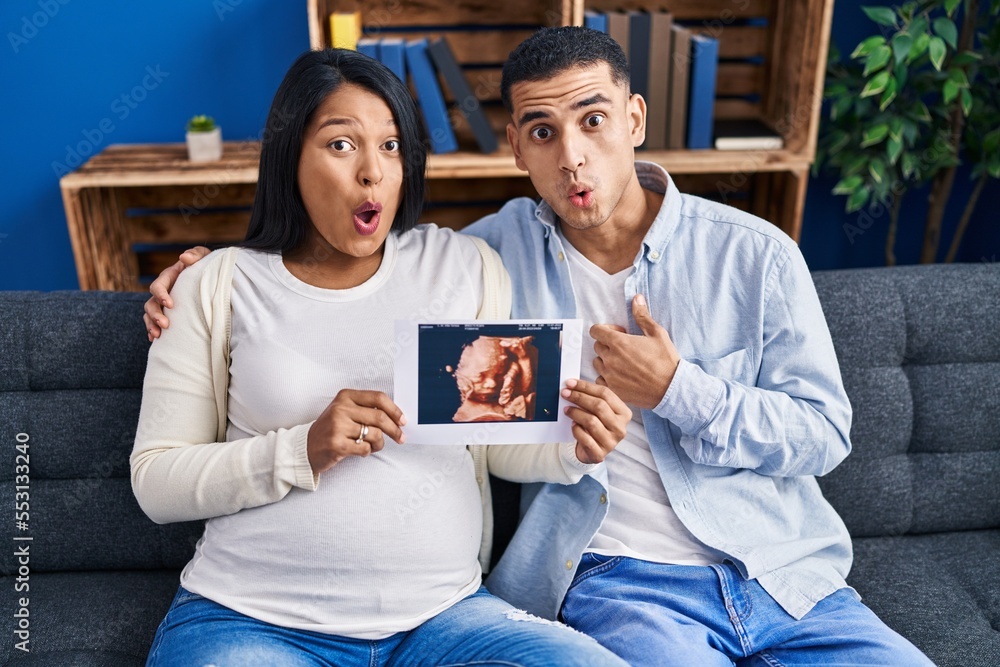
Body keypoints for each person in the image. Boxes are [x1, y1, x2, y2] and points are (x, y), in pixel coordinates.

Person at [145, 28, 933, 667]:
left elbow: (823, 436)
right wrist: (201, 280)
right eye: (543, 133)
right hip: (602, 583)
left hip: (769, 569)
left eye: (593, 121)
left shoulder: (746, 255)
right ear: (517, 151)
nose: (573, 157)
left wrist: (651, 403)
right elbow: (164, 470)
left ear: (633, 120)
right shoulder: (484, 256)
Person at [131, 47, 631, 667]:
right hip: (254, 621)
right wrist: (302, 449)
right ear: (290, 157)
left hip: (444, 620)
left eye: (391, 147)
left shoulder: (463, 266)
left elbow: (494, 440)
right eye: (342, 145)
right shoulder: (218, 285)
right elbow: (156, 482)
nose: (372, 172)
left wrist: (571, 446)